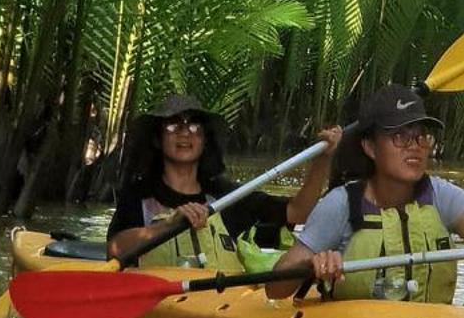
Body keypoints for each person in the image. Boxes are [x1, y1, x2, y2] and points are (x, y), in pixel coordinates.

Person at [269, 84, 464, 307]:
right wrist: (312, 265)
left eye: (421, 136)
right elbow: (275, 287)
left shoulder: (441, 196)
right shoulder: (341, 204)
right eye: (400, 137)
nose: (415, 146)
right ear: (370, 147)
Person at [105, 93, 338, 271]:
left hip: (217, 305)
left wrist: (322, 161)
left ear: (205, 140)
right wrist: (167, 226)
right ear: (157, 139)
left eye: (194, 126)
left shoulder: (226, 196)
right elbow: (115, 248)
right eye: (173, 125)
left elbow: (298, 213)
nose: (185, 133)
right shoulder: (140, 193)